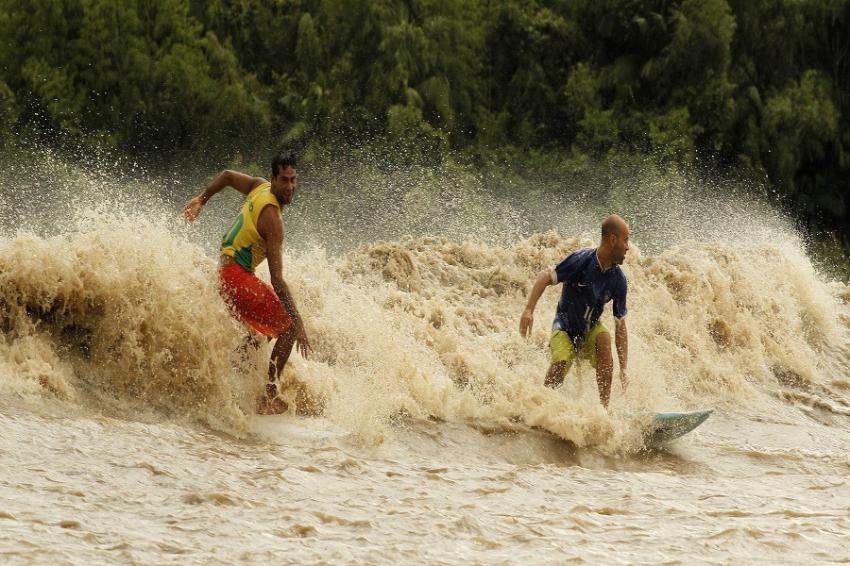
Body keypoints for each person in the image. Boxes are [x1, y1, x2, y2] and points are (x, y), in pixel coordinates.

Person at [182, 151, 311, 414]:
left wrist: (202, 200)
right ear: (274, 179)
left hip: (226, 272)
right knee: (286, 329)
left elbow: (227, 176)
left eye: (293, 180)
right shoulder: (273, 220)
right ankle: (270, 396)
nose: (290, 187)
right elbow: (277, 280)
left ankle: (229, 376)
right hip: (236, 276)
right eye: (284, 180)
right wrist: (299, 322)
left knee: (260, 332)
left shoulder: (258, 186)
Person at [519, 215, 630, 407]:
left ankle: (605, 412)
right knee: (562, 360)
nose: (628, 247)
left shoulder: (619, 280)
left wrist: (624, 369)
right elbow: (545, 277)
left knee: (604, 339)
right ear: (613, 240)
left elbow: (620, 326)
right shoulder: (581, 261)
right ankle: (542, 406)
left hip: (590, 330)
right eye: (625, 240)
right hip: (565, 327)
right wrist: (529, 310)